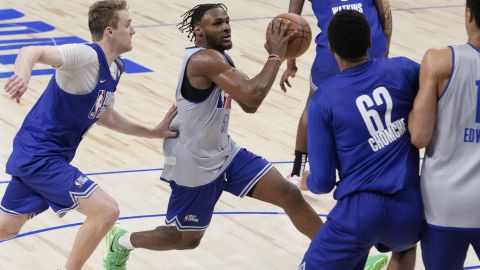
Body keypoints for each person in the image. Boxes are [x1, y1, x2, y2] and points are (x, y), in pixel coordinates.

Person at [102, 3, 326, 270]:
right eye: (217, 23)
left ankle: (342, 259)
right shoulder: (204, 60)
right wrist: (276, 56)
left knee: (289, 195)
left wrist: (275, 59)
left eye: (227, 21)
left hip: (224, 152)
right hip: (193, 164)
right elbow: (253, 97)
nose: (226, 27)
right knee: (184, 240)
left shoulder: (219, 58)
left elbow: (248, 101)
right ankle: (121, 241)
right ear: (198, 30)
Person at [0, 1, 177, 269]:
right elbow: (30, 49)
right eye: (128, 24)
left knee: (7, 228)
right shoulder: (84, 56)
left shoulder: (116, 67)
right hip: (39, 155)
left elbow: (105, 116)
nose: (134, 30)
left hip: (47, 156)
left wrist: (152, 132)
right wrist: (22, 75)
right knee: (106, 211)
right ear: (109, 31)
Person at [298, 10, 424, 270]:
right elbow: (440, 87)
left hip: (359, 213)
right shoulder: (403, 69)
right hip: (409, 209)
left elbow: (323, 182)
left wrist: (307, 180)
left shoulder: (324, 100)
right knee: (405, 249)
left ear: (331, 47)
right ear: (370, 42)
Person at [281, 0, 392, 181]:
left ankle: (297, 172)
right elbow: (384, 12)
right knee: (374, 103)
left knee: (312, 109)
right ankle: (380, 163)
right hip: (371, 43)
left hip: (334, 51)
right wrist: (384, 45)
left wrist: (290, 62)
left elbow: (292, 22)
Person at [409, 0, 480, 269]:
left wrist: (411, 114)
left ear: (469, 14)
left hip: (444, 205)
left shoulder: (439, 61)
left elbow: (419, 136)